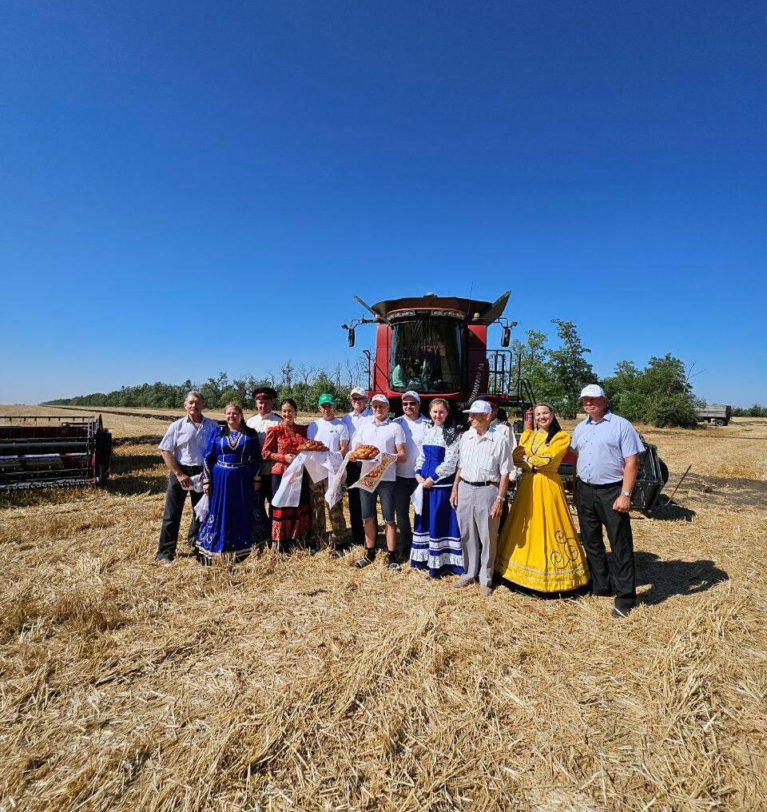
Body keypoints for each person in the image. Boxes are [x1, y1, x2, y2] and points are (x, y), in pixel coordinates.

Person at [494, 402, 590, 593]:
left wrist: (528, 461)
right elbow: (516, 457)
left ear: (552, 414)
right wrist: (530, 462)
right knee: (526, 526)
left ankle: (553, 577)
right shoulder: (529, 435)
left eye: (545, 413)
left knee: (549, 524)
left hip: (548, 486)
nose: (541, 417)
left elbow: (549, 460)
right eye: (538, 414)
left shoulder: (561, 437)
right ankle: (518, 573)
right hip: (528, 486)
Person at [570, 384, 645, 618]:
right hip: (585, 490)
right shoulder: (580, 428)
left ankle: (625, 597)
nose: (588, 403)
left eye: (593, 399)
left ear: (604, 400)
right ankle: (601, 585)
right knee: (591, 541)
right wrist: (575, 488)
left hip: (612, 491)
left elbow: (632, 461)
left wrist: (625, 494)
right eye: (585, 400)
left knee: (619, 544)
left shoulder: (621, 425)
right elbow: (576, 458)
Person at [449, 400, 511, 596]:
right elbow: (460, 466)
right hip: (466, 488)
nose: (470, 419)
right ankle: (468, 573)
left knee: (488, 536)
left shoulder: (500, 440)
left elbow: (505, 473)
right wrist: (455, 488)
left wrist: (499, 499)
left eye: (474, 415)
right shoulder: (465, 437)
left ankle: (486, 578)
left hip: (487, 491)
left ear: (487, 416)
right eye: (470, 415)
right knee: (467, 533)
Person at [155, 390, 219, 565]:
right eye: (190, 402)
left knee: (202, 513)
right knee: (172, 514)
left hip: (202, 473)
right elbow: (165, 450)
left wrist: (209, 475)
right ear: (185, 405)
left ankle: (199, 547)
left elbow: (216, 451)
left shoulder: (213, 426)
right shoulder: (177, 426)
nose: (194, 405)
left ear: (203, 405)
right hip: (181, 472)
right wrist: (179, 474)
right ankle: (165, 552)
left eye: (197, 402)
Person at [196, 403, 265, 563]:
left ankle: (242, 546)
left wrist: (256, 478)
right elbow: (208, 457)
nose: (231, 416)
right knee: (220, 509)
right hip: (220, 478)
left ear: (241, 416)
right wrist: (207, 481)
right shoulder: (217, 432)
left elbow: (256, 459)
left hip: (242, 477)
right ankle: (217, 545)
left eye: (235, 413)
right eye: (228, 413)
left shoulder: (250, 433)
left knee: (241, 508)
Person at [352, 394, 407, 570]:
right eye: (375, 406)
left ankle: (391, 556)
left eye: (382, 406)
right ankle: (369, 552)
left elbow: (403, 455)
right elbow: (357, 451)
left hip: (387, 479)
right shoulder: (364, 427)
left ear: (388, 408)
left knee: (389, 519)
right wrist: (355, 456)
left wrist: (386, 458)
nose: (378, 409)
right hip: (367, 478)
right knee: (367, 517)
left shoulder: (395, 428)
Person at [410, 397, 463, 577]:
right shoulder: (428, 430)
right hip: (424, 485)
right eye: (434, 412)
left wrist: (432, 478)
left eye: (441, 412)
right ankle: (423, 559)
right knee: (424, 520)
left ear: (447, 413)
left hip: (441, 485)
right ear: (430, 413)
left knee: (439, 520)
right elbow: (421, 455)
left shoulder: (452, 433)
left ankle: (442, 563)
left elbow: (450, 462)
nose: (437, 415)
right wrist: (417, 471)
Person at [261, 398, 311, 551]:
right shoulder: (274, 430)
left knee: (298, 506)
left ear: (296, 412)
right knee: (281, 507)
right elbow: (265, 453)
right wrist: (284, 457)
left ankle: (297, 539)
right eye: (284, 411)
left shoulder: (303, 430)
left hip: (299, 474)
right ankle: (279, 542)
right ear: (281, 413)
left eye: (290, 411)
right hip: (281, 473)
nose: (287, 414)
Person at [307, 393, 349, 552]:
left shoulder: (340, 426)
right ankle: (319, 540)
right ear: (319, 408)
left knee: (334, 506)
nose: (327, 409)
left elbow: (344, 448)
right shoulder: (313, 425)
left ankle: (341, 541)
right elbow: (311, 446)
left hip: (333, 472)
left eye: (330, 406)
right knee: (317, 507)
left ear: (334, 406)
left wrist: (333, 459)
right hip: (316, 471)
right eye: (324, 406)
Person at [393, 390, 428, 562]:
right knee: (401, 513)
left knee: (420, 512)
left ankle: (421, 546)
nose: (409, 407)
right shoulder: (395, 423)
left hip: (419, 478)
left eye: (412, 403)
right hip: (399, 475)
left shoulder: (428, 424)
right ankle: (406, 546)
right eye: (405, 404)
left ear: (419, 404)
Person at [245, 386, 282, 540]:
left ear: (271, 403)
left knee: (274, 502)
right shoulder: (250, 421)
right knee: (257, 504)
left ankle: (275, 535)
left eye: (266, 402)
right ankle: (261, 534)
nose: (263, 406)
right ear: (256, 404)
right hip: (255, 471)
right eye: (260, 402)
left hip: (273, 469)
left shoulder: (279, 421)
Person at [341, 387, 372, 548]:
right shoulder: (346, 418)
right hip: (352, 463)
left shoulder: (373, 417)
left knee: (367, 500)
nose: (357, 401)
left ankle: (370, 537)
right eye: (354, 399)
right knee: (353, 500)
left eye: (360, 398)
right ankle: (357, 537)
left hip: (367, 462)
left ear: (366, 400)